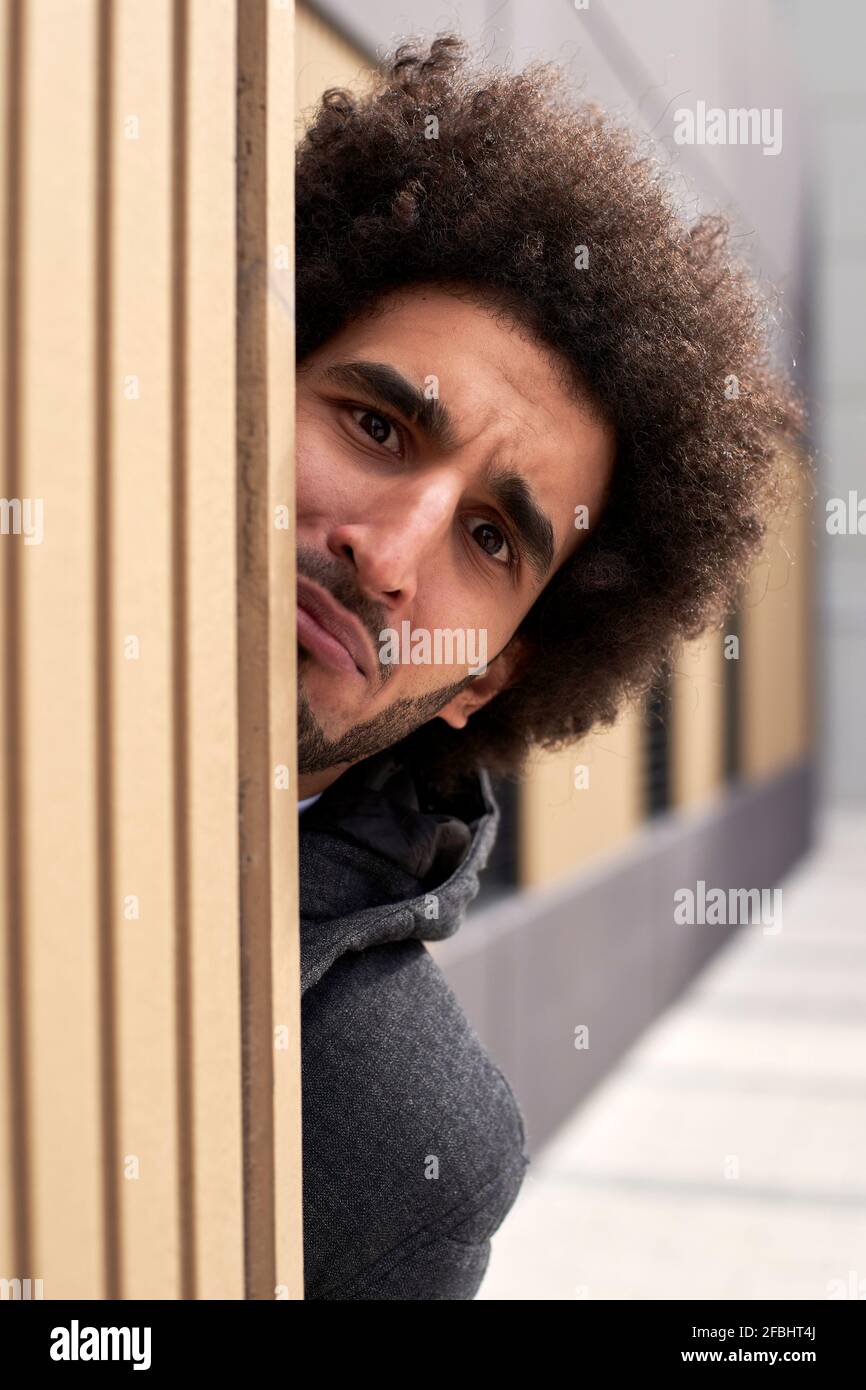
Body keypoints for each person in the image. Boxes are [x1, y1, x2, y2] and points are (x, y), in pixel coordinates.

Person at [294, 34, 801, 1299]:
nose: (387, 554)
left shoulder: (388, 1140)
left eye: (488, 537)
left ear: (487, 679)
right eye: (374, 423)